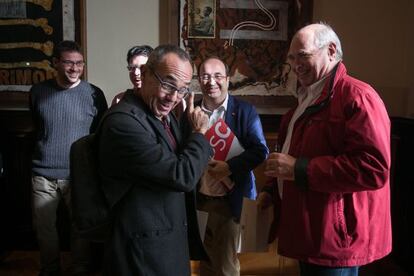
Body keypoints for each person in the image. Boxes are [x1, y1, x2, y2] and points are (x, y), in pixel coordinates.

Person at [258, 23, 391, 276]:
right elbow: (290, 154)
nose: (296, 64)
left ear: (331, 51)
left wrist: (298, 168)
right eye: (292, 58)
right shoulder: (306, 100)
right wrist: (270, 191)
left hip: (335, 241)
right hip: (310, 235)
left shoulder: (358, 96)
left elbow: (373, 169)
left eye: (303, 56)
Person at [97, 44, 213, 275]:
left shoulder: (159, 115)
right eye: (168, 84)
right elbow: (183, 175)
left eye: (182, 90)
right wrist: (199, 133)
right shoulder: (123, 123)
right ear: (146, 74)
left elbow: (183, 161)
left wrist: (190, 128)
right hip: (141, 253)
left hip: (166, 243)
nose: (173, 97)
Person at [30, 40, 108, 275]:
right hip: (42, 173)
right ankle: (50, 269)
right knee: (44, 229)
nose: (75, 68)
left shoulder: (94, 94)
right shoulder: (38, 92)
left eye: (79, 63)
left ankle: (80, 269)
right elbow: (38, 126)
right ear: (55, 63)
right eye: (68, 63)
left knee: (80, 227)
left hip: (78, 174)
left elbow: (99, 134)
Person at [186, 56, 268, 276]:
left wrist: (229, 167)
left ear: (228, 79)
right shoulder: (190, 112)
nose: (211, 82)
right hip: (199, 199)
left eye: (217, 76)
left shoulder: (244, 111)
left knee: (225, 267)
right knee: (204, 264)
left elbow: (261, 151)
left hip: (230, 202)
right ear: (198, 80)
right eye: (205, 76)